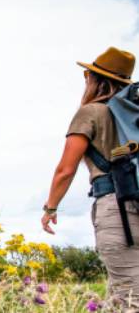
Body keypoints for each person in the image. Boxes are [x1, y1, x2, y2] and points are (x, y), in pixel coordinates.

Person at [41, 47, 137, 307]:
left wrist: (51, 208)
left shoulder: (91, 112)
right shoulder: (134, 118)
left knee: (129, 299)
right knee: (116, 298)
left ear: (96, 80)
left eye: (88, 75)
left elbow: (65, 169)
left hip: (118, 211)